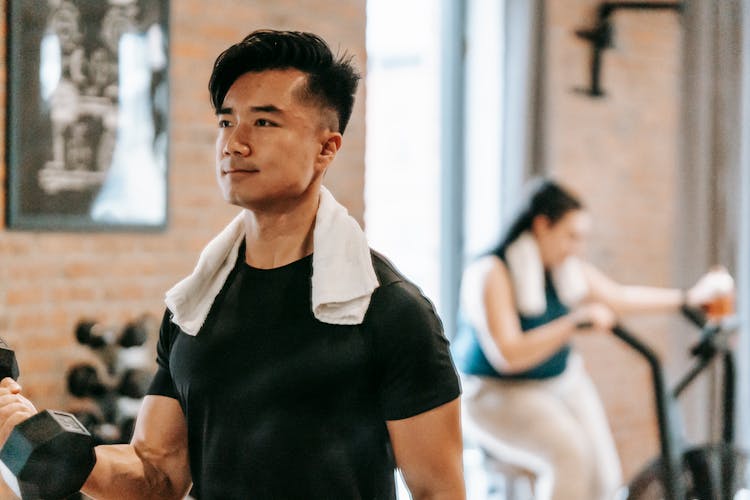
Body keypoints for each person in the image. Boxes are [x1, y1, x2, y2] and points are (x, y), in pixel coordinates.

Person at [0, 30, 464, 499]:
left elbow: (439, 491)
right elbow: (156, 474)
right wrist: (34, 439)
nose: (234, 144)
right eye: (226, 122)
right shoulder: (193, 308)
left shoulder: (389, 312)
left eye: (264, 123)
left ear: (327, 148)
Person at [451, 178, 734, 500]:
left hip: (558, 382)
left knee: (605, 477)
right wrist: (571, 323)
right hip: (495, 393)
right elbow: (508, 354)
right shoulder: (492, 273)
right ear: (542, 225)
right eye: (571, 236)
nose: (577, 248)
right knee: (570, 456)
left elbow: (620, 297)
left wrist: (687, 298)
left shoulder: (565, 270)